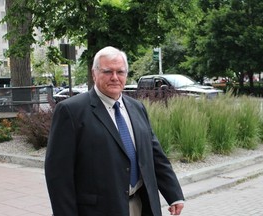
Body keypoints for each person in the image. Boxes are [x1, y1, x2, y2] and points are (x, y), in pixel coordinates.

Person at [45, 46, 184, 216]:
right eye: (107, 71)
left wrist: (174, 194)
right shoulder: (70, 111)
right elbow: (58, 175)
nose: (115, 78)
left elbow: (155, 155)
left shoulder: (137, 107)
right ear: (94, 73)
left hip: (141, 205)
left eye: (120, 72)